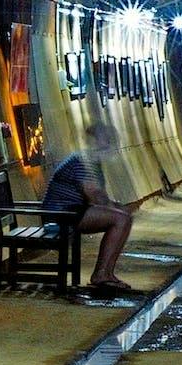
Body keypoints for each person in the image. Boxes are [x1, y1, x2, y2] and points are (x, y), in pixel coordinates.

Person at [43, 118, 134, 295]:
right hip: (61, 215)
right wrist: (113, 207)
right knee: (121, 219)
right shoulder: (82, 160)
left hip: (72, 210)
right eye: (108, 142)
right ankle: (101, 274)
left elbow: (98, 196)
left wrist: (114, 206)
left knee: (124, 217)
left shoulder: (91, 162)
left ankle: (107, 273)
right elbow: (93, 194)